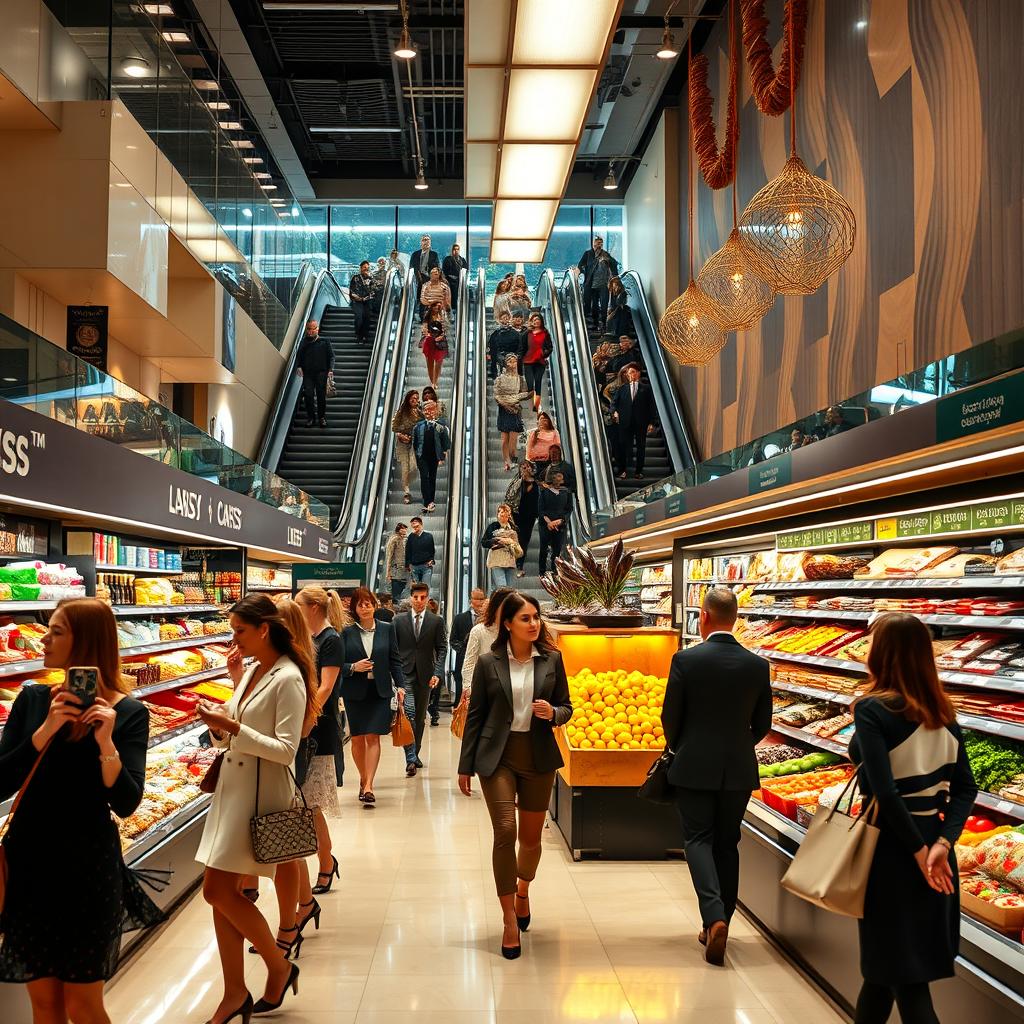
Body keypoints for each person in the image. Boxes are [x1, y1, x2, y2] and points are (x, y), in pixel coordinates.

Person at [0, 599, 160, 1023]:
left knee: (84, 1005)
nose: (45, 639)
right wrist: (46, 729)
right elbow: (1, 780)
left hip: (88, 870)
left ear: (84, 640)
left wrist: (105, 742)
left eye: (56, 631)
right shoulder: (34, 700)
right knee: (45, 1006)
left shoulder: (127, 713)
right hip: (30, 866)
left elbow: (126, 803)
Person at [848, 613, 977, 1024]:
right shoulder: (945, 713)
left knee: (902, 978)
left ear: (881, 653)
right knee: (887, 973)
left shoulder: (871, 710)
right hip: (936, 850)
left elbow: (884, 792)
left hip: (892, 850)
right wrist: (942, 844)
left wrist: (920, 853)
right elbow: (966, 789)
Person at [195, 593, 318, 1020]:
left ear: (264, 629)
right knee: (220, 893)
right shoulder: (250, 672)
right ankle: (234, 990)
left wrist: (233, 727)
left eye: (240, 631)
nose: (235, 639)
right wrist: (220, 721)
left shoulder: (289, 678)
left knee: (216, 891)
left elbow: (286, 750)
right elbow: (234, 726)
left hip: (260, 798)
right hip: (234, 792)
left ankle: (278, 964)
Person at [660, 587, 772, 967]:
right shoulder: (757, 666)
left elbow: (669, 717)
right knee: (728, 843)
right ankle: (722, 919)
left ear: (703, 617)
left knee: (697, 839)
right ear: (735, 618)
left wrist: (682, 745)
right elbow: (764, 724)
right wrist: (739, 745)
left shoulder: (686, 660)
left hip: (693, 765)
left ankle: (714, 916)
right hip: (739, 769)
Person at [458, 593, 573, 959]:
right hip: (498, 757)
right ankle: (509, 918)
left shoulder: (552, 659)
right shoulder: (490, 662)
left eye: (536, 617)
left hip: (538, 757)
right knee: (505, 831)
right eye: (525, 618)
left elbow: (567, 707)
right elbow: (476, 715)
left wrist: (552, 712)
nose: (534, 623)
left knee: (531, 839)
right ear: (507, 623)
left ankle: (523, 890)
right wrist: (465, 765)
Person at [292, 589, 345, 890]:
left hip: (318, 729)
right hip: (303, 727)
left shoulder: (331, 640)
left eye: (298, 604)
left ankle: (326, 862)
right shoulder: (307, 638)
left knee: (312, 805)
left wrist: (306, 717)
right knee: (304, 804)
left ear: (313, 607)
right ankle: (325, 860)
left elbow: (325, 687)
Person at [339, 588, 406, 807]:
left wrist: (401, 686)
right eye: (361, 604)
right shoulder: (346, 632)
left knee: (373, 736)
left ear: (375, 606)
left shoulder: (387, 629)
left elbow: (394, 659)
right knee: (357, 738)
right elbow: (336, 665)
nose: (365, 607)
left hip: (380, 690)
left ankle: (369, 785)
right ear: (355, 608)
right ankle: (363, 777)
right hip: (354, 692)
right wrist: (353, 668)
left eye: (369, 603)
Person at [393, 583, 448, 777]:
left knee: (420, 717)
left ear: (427, 598)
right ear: (410, 598)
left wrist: (438, 673)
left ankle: (414, 753)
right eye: (415, 597)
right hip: (404, 673)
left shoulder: (436, 621)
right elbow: (394, 649)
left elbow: (442, 648)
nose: (419, 601)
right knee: (408, 713)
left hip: (426, 675)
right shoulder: (398, 621)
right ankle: (410, 758)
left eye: (423, 597)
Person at [460, 587, 514, 698]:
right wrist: (468, 689)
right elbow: (469, 663)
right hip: (484, 689)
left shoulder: (516, 630)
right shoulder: (479, 631)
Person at [610, 363, 655, 480]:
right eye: (629, 373)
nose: (631, 375)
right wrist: (614, 412)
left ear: (638, 373)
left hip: (641, 423)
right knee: (623, 446)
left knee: (641, 447)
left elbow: (651, 406)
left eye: (633, 372)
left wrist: (651, 423)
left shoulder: (646, 388)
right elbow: (614, 403)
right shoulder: (622, 389)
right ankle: (622, 470)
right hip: (625, 423)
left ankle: (639, 471)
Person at [449, 588, 486, 709]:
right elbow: (453, 640)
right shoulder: (460, 618)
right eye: (477, 599)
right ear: (471, 600)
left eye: (482, 599)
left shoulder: (489, 620)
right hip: (464, 659)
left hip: (483, 659)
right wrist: (463, 651)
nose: (480, 602)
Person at [494, 354, 532, 470]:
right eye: (510, 361)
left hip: (515, 408)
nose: (512, 364)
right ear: (506, 363)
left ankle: (513, 458)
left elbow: (525, 394)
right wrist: (506, 403)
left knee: (513, 437)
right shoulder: (500, 379)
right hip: (504, 409)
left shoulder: (520, 379)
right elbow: (497, 395)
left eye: (514, 362)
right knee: (504, 437)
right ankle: (506, 461)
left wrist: (512, 399)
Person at [412, 400, 450, 513]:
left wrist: (443, 454)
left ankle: (431, 500)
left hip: (434, 456)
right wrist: (416, 455)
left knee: (432, 477)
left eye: (432, 410)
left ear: (436, 411)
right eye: (427, 410)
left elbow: (446, 442)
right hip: (422, 455)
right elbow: (415, 442)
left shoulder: (441, 426)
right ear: (423, 412)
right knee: (424, 476)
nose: (430, 412)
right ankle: (427, 501)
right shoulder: (418, 426)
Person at [295, 319, 334, 429]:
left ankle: (322, 417)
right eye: (309, 329)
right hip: (308, 374)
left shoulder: (325, 341)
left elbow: (331, 356)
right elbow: (299, 356)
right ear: (306, 329)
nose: (311, 331)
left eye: (313, 329)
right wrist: (299, 367)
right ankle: (311, 418)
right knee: (308, 395)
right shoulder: (303, 342)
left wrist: (330, 369)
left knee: (321, 396)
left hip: (321, 373)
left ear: (318, 329)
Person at [505, 462, 539, 578]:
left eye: (527, 466)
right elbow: (510, 496)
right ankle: (513, 563)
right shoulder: (517, 481)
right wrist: (521, 480)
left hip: (530, 517)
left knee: (525, 540)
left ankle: (520, 565)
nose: (525, 469)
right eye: (523, 467)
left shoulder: (537, 482)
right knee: (516, 538)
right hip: (517, 515)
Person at [577, 236, 619, 326]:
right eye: (597, 243)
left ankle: (604, 323)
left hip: (604, 285)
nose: (599, 245)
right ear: (593, 244)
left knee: (604, 305)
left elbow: (614, 264)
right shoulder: (588, 254)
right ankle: (595, 323)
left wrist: (614, 278)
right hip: (591, 284)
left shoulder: (605, 254)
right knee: (594, 305)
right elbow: (580, 265)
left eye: (601, 243)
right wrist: (585, 272)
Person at [390, 389, 421, 504]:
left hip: (414, 443)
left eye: (417, 398)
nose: (415, 400)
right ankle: (406, 492)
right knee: (405, 467)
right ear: (408, 399)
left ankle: (408, 482)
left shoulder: (419, 412)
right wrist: (400, 435)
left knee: (413, 467)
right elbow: (394, 427)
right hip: (402, 443)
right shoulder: (401, 412)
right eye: (413, 398)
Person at [538, 471, 571, 574]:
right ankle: (542, 571)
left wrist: (560, 521)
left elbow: (569, 509)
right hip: (545, 525)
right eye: (559, 478)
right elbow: (540, 509)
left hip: (560, 525)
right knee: (543, 548)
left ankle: (554, 570)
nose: (562, 480)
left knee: (557, 549)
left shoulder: (566, 492)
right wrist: (549, 522)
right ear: (553, 480)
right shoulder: (544, 492)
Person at [481, 504, 521, 589]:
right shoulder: (492, 527)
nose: (503, 517)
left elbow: (517, 545)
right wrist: (495, 541)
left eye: (506, 515)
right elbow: (484, 542)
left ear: (509, 516)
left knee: (510, 590)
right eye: (501, 515)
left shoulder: (513, 528)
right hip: (497, 561)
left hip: (510, 561)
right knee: (502, 588)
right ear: (498, 515)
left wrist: (510, 541)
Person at [522, 313, 553, 413]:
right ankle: (531, 401)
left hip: (540, 361)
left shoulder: (545, 332)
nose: (536, 321)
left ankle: (537, 405)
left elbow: (550, 347)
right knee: (530, 382)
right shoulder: (527, 333)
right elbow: (522, 347)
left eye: (538, 319)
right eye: (534, 320)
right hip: (528, 361)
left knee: (538, 382)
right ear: (532, 321)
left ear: (541, 321)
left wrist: (544, 354)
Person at [420, 302, 448, 389]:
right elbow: (424, 327)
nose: (436, 307)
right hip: (430, 340)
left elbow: (445, 327)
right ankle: (432, 382)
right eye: (434, 305)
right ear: (431, 306)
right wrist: (427, 333)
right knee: (430, 362)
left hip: (440, 341)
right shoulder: (428, 316)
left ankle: (435, 381)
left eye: (438, 305)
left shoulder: (442, 315)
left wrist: (441, 336)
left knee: (439, 362)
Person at [488, 310, 521, 380]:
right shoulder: (496, 333)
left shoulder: (515, 332)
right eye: (504, 318)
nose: (506, 319)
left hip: (512, 354)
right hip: (501, 354)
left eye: (507, 318)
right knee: (501, 363)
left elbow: (519, 344)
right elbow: (492, 345)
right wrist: (490, 353)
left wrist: (517, 354)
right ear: (500, 320)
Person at [404, 516, 436, 587]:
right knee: (416, 588)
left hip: (426, 565)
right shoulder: (411, 537)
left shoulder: (429, 536)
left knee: (426, 587)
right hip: (414, 566)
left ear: (421, 525)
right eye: (413, 527)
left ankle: (426, 598)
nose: (415, 528)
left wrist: (431, 560)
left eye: (417, 526)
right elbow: (408, 551)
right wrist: (407, 565)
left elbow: (432, 550)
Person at [349, 260, 375, 345]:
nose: (366, 269)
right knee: (359, 317)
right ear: (360, 268)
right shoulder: (355, 277)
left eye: (367, 268)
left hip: (367, 301)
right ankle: (358, 334)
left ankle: (364, 336)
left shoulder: (371, 278)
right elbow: (352, 291)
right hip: (357, 301)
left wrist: (369, 279)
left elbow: (373, 291)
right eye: (364, 267)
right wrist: (357, 298)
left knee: (367, 317)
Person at [383, 523, 409, 603]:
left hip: (404, 569)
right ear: (399, 530)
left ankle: (397, 604)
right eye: (403, 528)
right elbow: (389, 556)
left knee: (402, 587)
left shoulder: (405, 539)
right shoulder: (394, 539)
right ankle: (395, 605)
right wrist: (388, 572)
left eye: (405, 528)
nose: (405, 530)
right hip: (396, 569)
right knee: (396, 590)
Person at [442, 242, 467, 313]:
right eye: (454, 249)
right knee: (450, 296)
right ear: (452, 250)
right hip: (449, 281)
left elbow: (466, 269)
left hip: (459, 281)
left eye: (457, 249)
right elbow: (444, 270)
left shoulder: (462, 260)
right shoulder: (448, 259)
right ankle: (450, 310)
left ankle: (457, 310)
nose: (456, 251)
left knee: (457, 296)